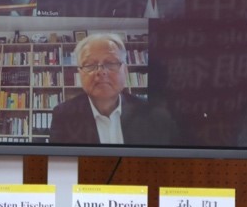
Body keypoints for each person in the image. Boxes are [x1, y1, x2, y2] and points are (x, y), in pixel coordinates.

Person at [49, 33, 177, 145]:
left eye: (110, 63)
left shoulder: (153, 115)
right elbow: (61, 164)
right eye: (90, 65)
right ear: (80, 74)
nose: (101, 72)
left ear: (125, 71)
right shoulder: (63, 115)